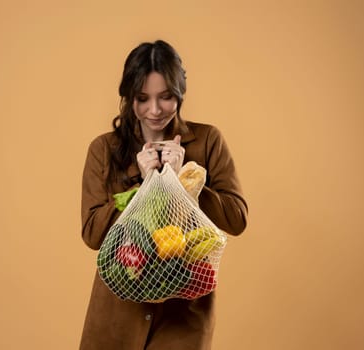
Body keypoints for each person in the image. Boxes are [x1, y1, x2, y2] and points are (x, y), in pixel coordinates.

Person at [79, 40, 248, 350]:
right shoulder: (103, 149)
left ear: (179, 94)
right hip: (117, 314)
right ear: (128, 96)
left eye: (166, 97)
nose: (154, 110)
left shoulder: (208, 141)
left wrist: (184, 182)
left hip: (183, 314)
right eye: (142, 99)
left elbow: (237, 219)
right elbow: (92, 235)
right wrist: (141, 186)